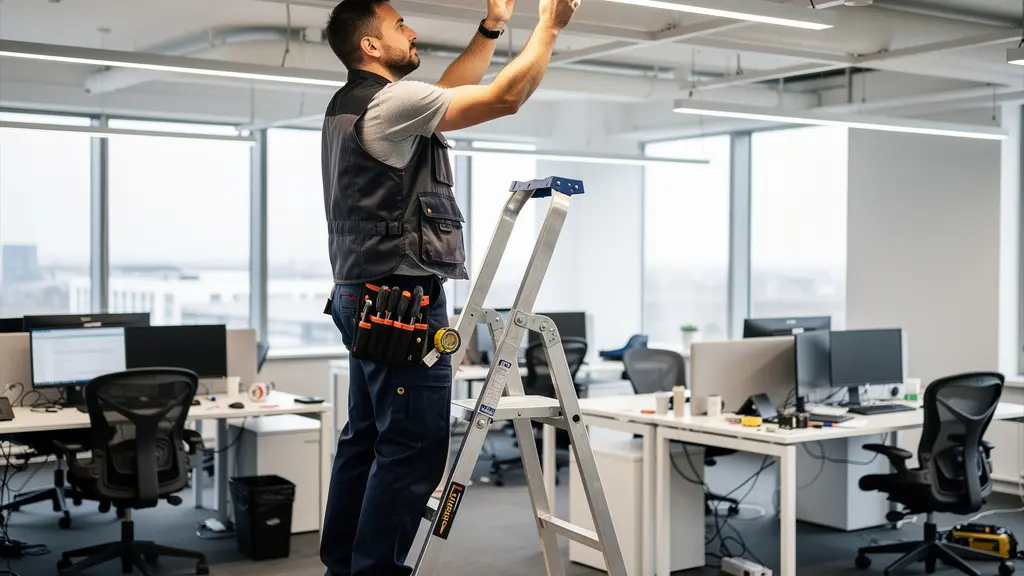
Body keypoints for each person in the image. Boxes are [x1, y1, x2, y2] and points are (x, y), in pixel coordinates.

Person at [319, 0, 581, 573]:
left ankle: (344, 564)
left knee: (365, 440)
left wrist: (491, 30)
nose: (411, 32)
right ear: (370, 45)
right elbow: (503, 98)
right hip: (401, 305)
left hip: (362, 295)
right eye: (398, 26)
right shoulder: (388, 104)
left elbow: (445, 89)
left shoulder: (353, 105)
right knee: (410, 454)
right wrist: (548, 28)